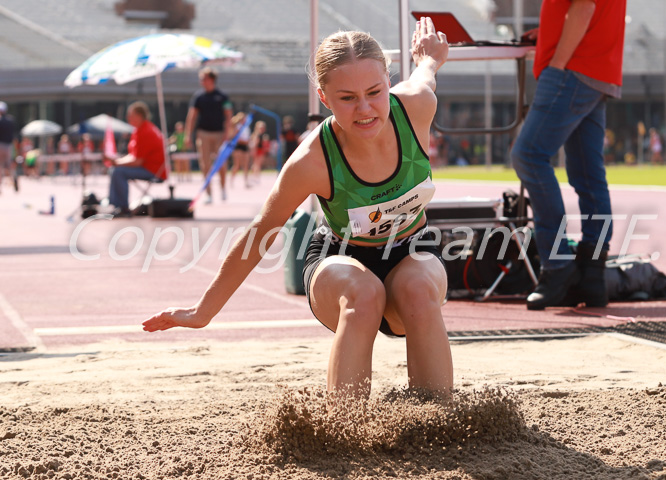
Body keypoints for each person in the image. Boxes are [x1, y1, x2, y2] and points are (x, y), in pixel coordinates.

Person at [143, 19, 453, 398]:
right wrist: (202, 312)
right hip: (340, 259)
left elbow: (425, 73)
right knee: (364, 294)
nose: (365, 109)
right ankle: (344, 431)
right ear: (324, 98)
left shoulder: (417, 106)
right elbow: (262, 231)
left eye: (374, 91)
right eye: (347, 98)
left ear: (389, 81)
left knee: (419, 291)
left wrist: (429, 59)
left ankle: (438, 420)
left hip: (411, 248)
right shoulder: (311, 161)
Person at [511, 0, 627, 310]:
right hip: (597, 66)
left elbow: (584, 8)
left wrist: (557, 62)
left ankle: (558, 265)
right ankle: (592, 275)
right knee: (588, 173)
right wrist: (552, 32)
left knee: (529, 155)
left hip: (574, 67)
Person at [104, 101, 167, 217]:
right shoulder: (139, 129)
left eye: (131, 115)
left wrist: (117, 163)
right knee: (115, 169)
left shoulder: (146, 131)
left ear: (139, 116)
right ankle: (116, 205)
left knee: (118, 172)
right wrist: (117, 161)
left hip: (154, 170)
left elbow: (137, 161)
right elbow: (134, 156)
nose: (128, 118)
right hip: (147, 167)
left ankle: (122, 207)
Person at [184, 67, 233, 203]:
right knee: (205, 164)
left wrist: (227, 133)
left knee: (221, 163)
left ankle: (223, 189)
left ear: (211, 79)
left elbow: (229, 115)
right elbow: (192, 116)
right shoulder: (198, 97)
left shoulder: (222, 96)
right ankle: (208, 193)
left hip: (219, 134)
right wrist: (188, 135)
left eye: (203, 78)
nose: (201, 81)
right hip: (203, 133)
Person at [229, 112, 252, 188]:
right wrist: (244, 141)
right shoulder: (238, 127)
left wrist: (248, 142)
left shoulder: (246, 127)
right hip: (238, 147)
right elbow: (235, 138)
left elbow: (248, 138)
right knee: (237, 165)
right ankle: (231, 181)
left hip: (245, 146)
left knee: (246, 165)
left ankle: (246, 182)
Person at [0, 102, 18, 193]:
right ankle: (14, 177)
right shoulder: (10, 120)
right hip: (9, 145)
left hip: (0, 145)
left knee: (0, 166)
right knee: (10, 165)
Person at [248, 120, 269, 185]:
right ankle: (255, 177)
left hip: (260, 150)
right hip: (257, 150)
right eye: (261, 127)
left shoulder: (262, 135)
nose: (262, 129)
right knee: (257, 164)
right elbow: (255, 143)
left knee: (257, 164)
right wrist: (253, 150)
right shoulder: (257, 135)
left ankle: (255, 176)